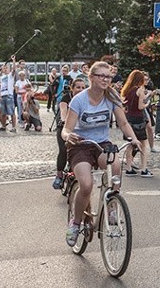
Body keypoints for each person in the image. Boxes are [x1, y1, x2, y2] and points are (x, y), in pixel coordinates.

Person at [62, 61, 140, 246]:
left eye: (108, 76)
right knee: (87, 185)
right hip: (80, 145)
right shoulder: (79, 100)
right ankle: (75, 223)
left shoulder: (111, 98)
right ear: (92, 77)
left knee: (115, 165)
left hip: (102, 144)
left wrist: (134, 139)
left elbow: (123, 123)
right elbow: (66, 129)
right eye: (101, 76)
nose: (105, 79)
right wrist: (68, 137)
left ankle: (111, 205)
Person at [53, 77, 86, 190]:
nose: (81, 90)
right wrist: (63, 120)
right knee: (63, 150)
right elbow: (63, 110)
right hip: (64, 127)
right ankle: (59, 174)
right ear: (72, 88)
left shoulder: (86, 99)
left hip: (79, 127)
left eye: (83, 87)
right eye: (78, 87)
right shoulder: (67, 98)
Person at [120, 70, 153, 178]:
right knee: (143, 144)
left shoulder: (127, 90)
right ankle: (143, 169)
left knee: (130, 144)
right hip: (138, 119)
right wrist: (147, 104)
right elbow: (140, 107)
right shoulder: (140, 90)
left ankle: (129, 168)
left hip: (128, 118)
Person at [0, 64, 16, 132]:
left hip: (9, 95)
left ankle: (14, 127)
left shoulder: (10, 76)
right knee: (3, 113)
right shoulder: (1, 77)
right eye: (4, 68)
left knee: (12, 112)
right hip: (2, 95)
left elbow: (14, 69)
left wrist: (13, 60)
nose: (5, 69)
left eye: (6, 68)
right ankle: (3, 126)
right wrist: (0, 71)